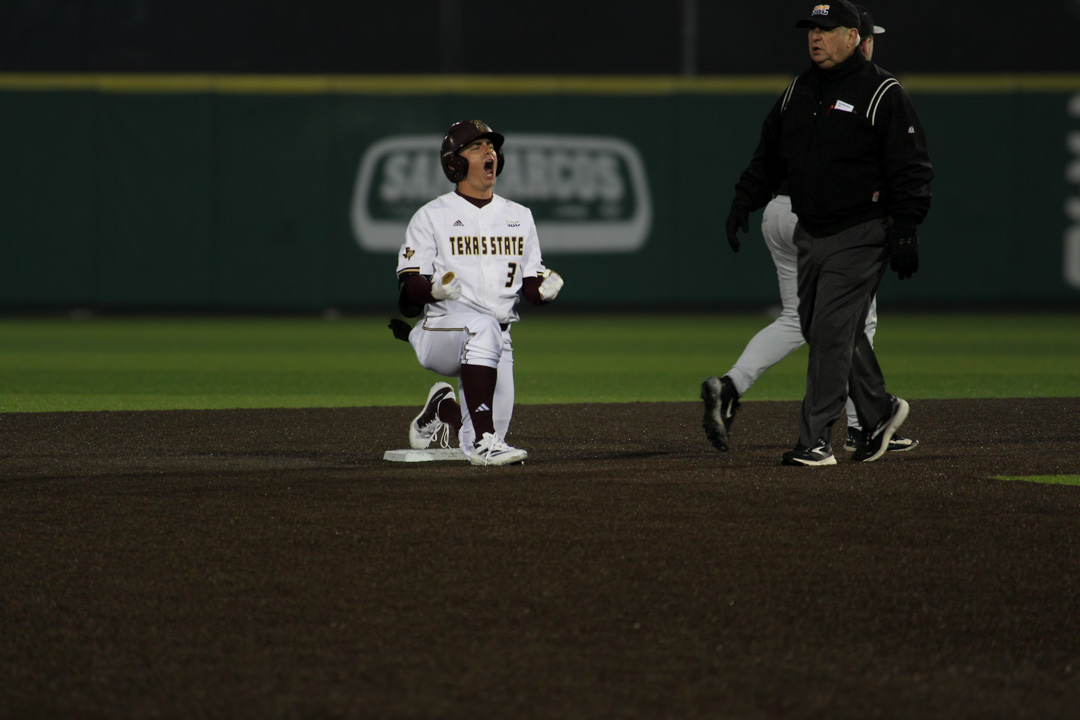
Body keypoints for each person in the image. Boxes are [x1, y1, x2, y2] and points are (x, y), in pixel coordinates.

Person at [716, 0, 932, 466]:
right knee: (825, 326)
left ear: (853, 36)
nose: (815, 36)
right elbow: (769, 154)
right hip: (811, 230)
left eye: (827, 28)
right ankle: (879, 411)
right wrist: (743, 201)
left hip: (861, 229)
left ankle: (815, 441)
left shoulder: (882, 91)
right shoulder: (801, 88)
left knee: (831, 332)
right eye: (811, 29)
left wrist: (907, 229)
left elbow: (911, 167)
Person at [393, 119, 564, 466]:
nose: (489, 151)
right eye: (476, 146)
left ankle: (443, 408)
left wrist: (545, 290)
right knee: (480, 326)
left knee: (470, 442)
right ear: (454, 164)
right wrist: (434, 291)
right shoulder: (431, 216)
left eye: (491, 146)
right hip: (441, 332)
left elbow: (530, 288)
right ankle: (488, 441)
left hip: (497, 340)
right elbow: (408, 290)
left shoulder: (520, 216)